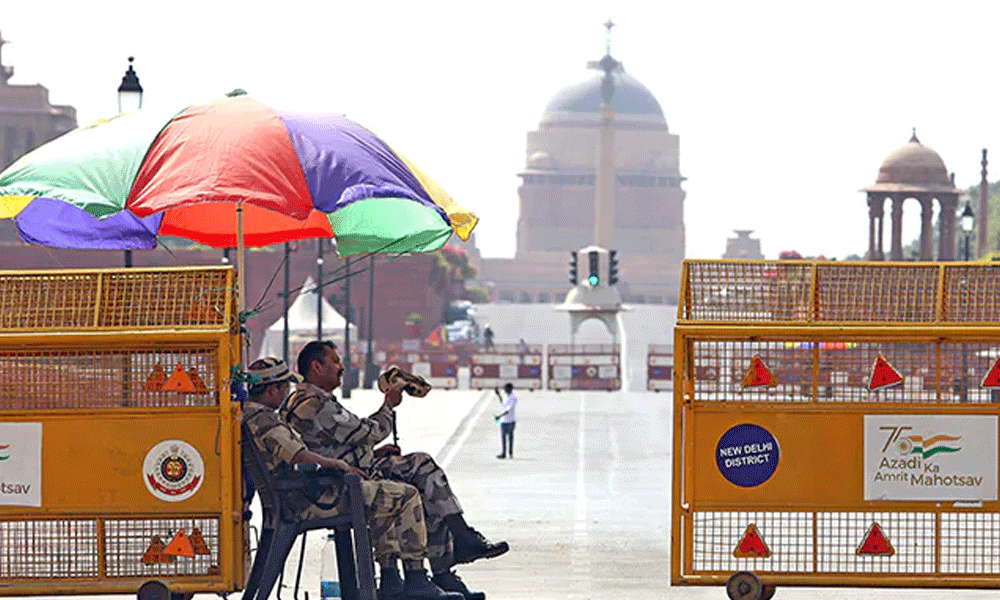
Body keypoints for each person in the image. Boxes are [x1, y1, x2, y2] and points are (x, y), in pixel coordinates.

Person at [281, 341, 508, 600]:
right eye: (335, 361)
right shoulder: (313, 405)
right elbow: (368, 432)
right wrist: (389, 405)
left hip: (348, 473)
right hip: (340, 485)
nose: (342, 367)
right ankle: (430, 570)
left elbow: (335, 444)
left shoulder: (307, 400)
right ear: (317, 367)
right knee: (415, 489)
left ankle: (451, 555)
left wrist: (373, 453)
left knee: (422, 468)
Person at [242, 357, 460, 600]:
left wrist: (366, 457)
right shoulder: (265, 419)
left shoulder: (255, 415)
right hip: (312, 500)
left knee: (383, 490)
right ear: (272, 389)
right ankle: (417, 579)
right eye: (284, 387)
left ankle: (391, 580)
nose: (287, 392)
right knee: (405, 495)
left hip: (302, 493)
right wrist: (338, 465)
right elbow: (298, 455)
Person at [493, 383, 517, 459]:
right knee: (503, 437)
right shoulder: (506, 396)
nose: (505, 390)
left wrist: (499, 416)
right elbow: (503, 403)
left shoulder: (513, 397)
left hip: (510, 420)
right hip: (503, 421)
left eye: (506, 388)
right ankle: (503, 453)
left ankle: (510, 452)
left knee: (510, 437)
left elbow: (509, 409)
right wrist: (498, 394)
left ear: (511, 389)